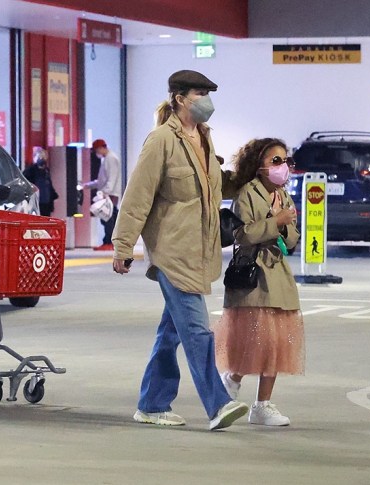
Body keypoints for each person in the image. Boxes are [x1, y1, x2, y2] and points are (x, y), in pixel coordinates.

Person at [113, 70, 248, 431]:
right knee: (197, 331)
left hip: (199, 252)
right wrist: (123, 245)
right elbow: (137, 197)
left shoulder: (203, 139)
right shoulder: (161, 141)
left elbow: (215, 187)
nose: (206, 100)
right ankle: (218, 404)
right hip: (172, 253)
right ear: (179, 98)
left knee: (171, 332)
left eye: (207, 92)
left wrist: (251, 172)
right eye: (199, 93)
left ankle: (152, 403)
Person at [212, 138, 304, 426]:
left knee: (276, 343)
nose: (282, 167)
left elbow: (291, 241)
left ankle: (262, 404)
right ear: (259, 165)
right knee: (255, 340)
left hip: (278, 276)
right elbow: (242, 235)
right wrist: (275, 221)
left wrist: (286, 223)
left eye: (285, 161)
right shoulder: (247, 195)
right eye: (275, 161)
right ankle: (233, 379)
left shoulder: (283, 195)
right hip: (253, 275)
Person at [83, 139, 122, 250]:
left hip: (110, 194)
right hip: (108, 193)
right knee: (109, 217)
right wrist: (88, 185)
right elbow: (101, 180)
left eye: (96, 151)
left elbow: (112, 178)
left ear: (101, 148)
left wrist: (106, 193)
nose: (97, 154)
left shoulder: (111, 159)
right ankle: (109, 241)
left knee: (108, 218)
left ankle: (109, 242)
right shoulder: (107, 159)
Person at [23, 148, 58, 217]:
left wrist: (53, 195)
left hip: (46, 203)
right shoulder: (30, 171)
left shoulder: (46, 171)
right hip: (36, 202)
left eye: (44, 157)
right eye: (40, 156)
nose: (42, 159)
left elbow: (48, 185)